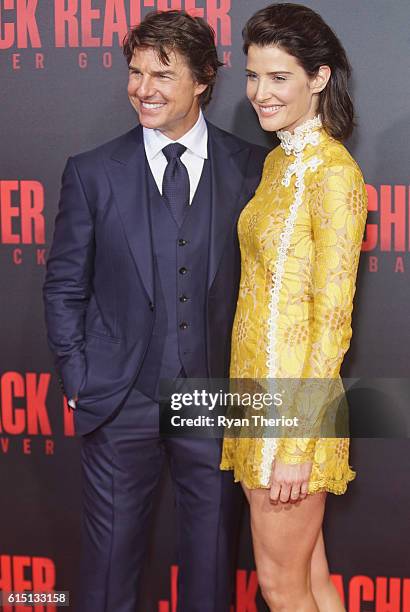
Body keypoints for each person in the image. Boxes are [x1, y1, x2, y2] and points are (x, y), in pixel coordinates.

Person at [43, 9, 267, 612]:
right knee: (108, 575)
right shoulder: (92, 173)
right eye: (136, 72)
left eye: (162, 74)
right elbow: (64, 285)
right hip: (120, 400)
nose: (143, 88)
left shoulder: (253, 169)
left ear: (203, 79)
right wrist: (79, 379)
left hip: (214, 403)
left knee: (212, 575)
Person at [220, 4, 368, 611]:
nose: (260, 92)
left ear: (319, 77)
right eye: (253, 76)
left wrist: (296, 444)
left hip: (292, 415)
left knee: (282, 590)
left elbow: (333, 324)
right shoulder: (280, 163)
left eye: (279, 77)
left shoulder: (336, 174)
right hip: (256, 398)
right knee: (309, 583)